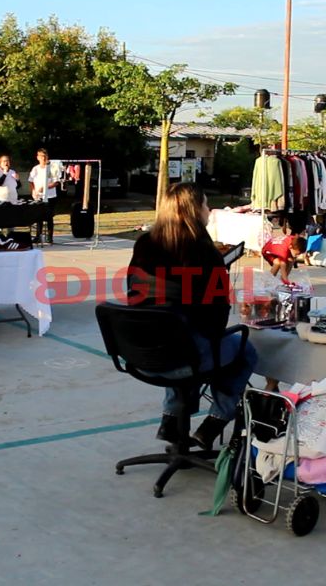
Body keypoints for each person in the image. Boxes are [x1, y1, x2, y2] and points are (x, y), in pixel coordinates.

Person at [127, 182, 258, 450]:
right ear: (195, 210)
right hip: (182, 353)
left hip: (141, 352)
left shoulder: (144, 245)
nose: (209, 211)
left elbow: (134, 295)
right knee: (243, 351)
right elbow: (217, 317)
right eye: (206, 205)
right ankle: (215, 421)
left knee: (176, 334)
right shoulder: (204, 252)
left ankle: (171, 419)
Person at [28, 148, 59, 244]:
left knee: (49, 217)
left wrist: (46, 187)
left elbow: (56, 182)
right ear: (38, 157)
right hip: (39, 196)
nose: (43, 158)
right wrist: (33, 191)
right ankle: (38, 236)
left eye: (44, 156)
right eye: (41, 156)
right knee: (39, 217)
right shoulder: (35, 169)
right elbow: (31, 181)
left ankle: (50, 237)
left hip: (50, 196)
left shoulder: (52, 168)